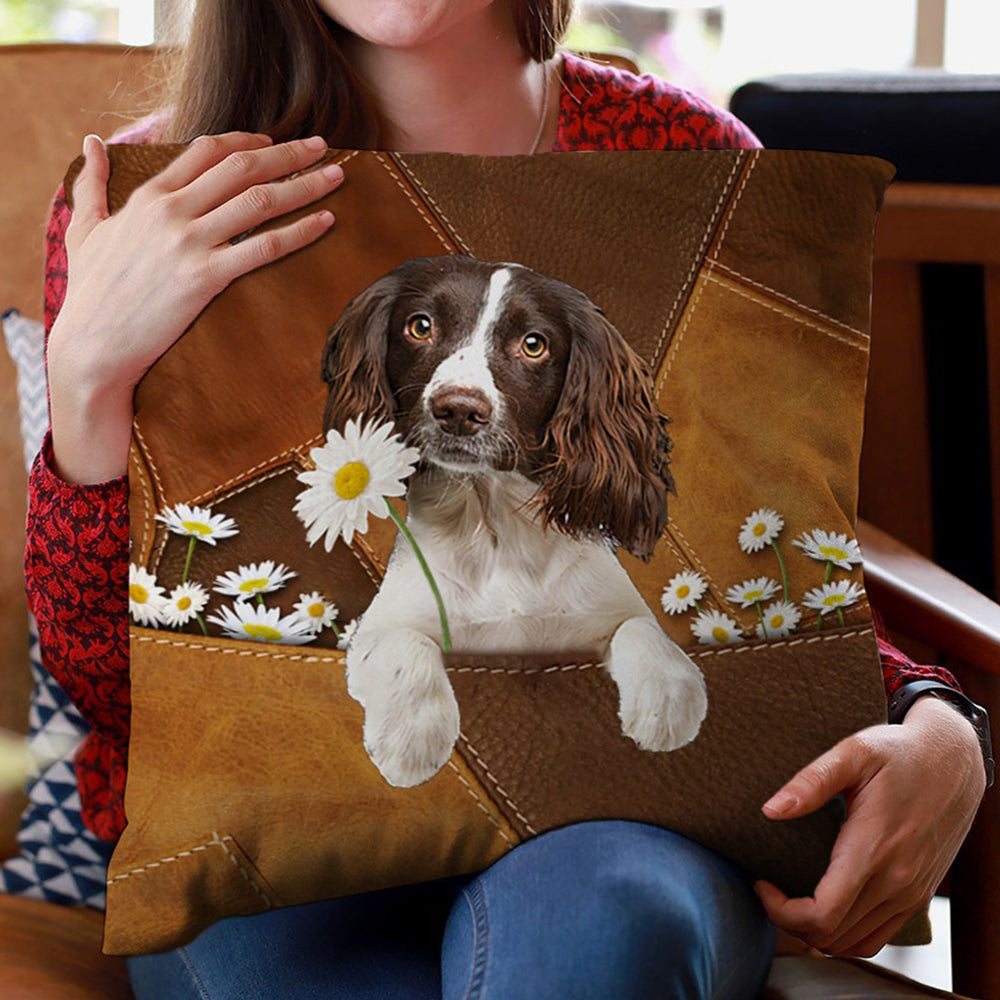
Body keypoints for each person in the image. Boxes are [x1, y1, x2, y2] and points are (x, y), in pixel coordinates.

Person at [24, 1, 987, 997]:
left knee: (600, 924)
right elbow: (105, 681)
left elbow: (752, 555)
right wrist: (89, 382)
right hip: (270, 819)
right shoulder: (155, 203)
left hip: (617, 822)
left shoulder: (690, 166)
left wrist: (936, 714)